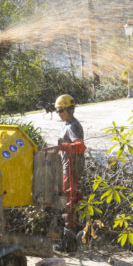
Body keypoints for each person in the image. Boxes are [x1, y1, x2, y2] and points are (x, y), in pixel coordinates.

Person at [55, 94, 86, 230]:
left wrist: (65, 147)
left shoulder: (73, 126)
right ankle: (85, 217)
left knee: (70, 196)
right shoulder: (68, 124)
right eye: (57, 111)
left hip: (72, 166)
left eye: (60, 111)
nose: (59, 114)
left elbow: (80, 146)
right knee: (74, 195)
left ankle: (70, 231)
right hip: (68, 164)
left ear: (68, 110)